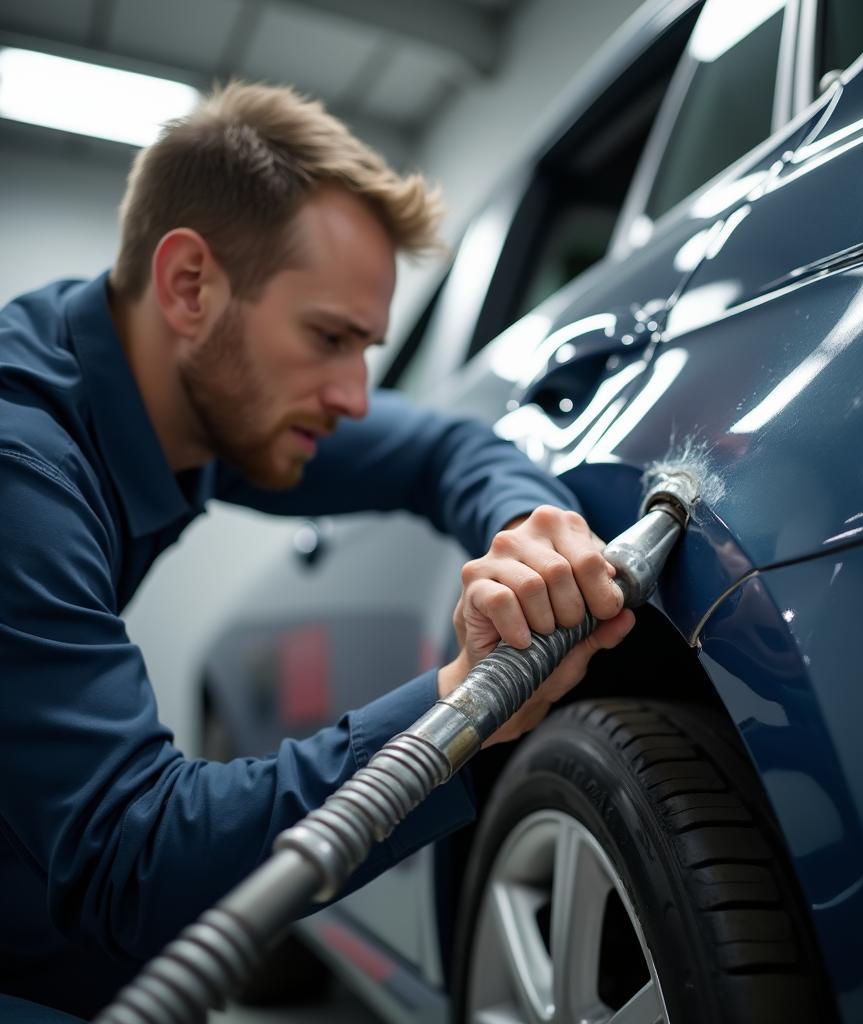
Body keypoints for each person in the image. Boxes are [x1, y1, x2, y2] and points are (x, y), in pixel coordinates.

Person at [0, 82, 635, 1018]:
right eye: (329, 338)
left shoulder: (182, 391)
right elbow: (136, 862)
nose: (350, 396)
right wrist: (455, 712)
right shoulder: (23, 470)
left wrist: (530, 534)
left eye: (367, 349)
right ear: (189, 285)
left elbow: (444, 448)